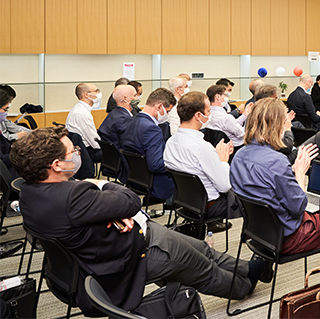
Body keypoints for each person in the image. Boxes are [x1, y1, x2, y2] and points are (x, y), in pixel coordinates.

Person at [11, 126, 268, 316]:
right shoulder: (73, 195)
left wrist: (111, 212)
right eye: (73, 152)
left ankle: (247, 268)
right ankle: (243, 287)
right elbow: (131, 200)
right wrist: (99, 183)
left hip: (125, 242)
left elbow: (87, 216)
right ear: (57, 165)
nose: (78, 154)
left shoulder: (30, 192)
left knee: (201, 248)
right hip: (135, 255)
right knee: (204, 270)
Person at [231, 98, 320, 256]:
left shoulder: (239, 156)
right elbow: (299, 207)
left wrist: (289, 172)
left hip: (257, 231)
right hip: (286, 237)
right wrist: (300, 174)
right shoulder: (276, 161)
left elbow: (263, 189)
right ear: (276, 125)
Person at [164, 92, 238, 229]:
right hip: (210, 207)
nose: (210, 115)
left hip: (185, 203)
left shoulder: (171, 142)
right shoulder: (202, 147)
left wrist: (214, 156)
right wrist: (223, 161)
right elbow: (224, 186)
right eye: (209, 111)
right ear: (198, 115)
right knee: (248, 195)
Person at [121, 88, 177, 205]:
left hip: (135, 178)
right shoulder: (152, 129)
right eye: (167, 111)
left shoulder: (132, 121)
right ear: (159, 106)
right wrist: (175, 162)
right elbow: (155, 165)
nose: (167, 115)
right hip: (155, 182)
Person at [97, 85, 137, 182]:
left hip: (112, 162)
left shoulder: (113, 114)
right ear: (125, 99)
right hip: (124, 165)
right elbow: (130, 146)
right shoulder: (124, 119)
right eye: (135, 95)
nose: (137, 98)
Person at [65, 83, 103, 163]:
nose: (99, 93)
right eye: (96, 91)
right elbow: (95, 143)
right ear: (86, 95)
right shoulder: (83, 114)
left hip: (80, 149)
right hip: (86, 152)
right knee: (117, 153)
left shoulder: (78, 108)